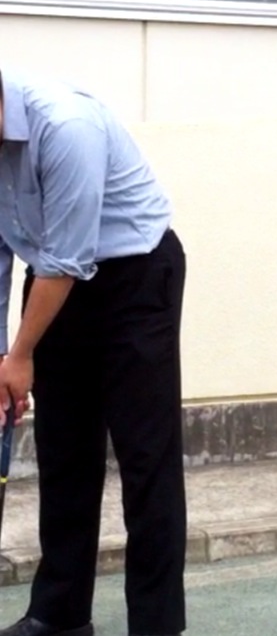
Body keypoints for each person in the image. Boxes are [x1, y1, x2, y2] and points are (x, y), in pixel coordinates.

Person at [0, 67, 186, 635]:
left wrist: (22, 353)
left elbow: (69, 260)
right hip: (52, 285)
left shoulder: (66, 125)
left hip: (135, 278)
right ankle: (60, 615)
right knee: (63, 452)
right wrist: (2, 363)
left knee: (145, 457)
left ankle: (155, 625)